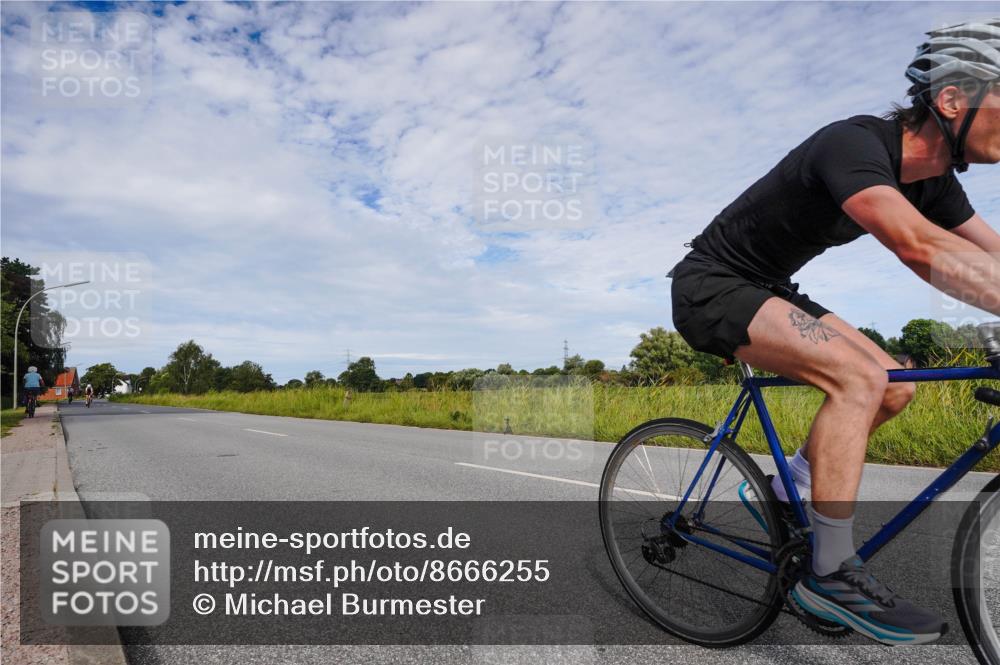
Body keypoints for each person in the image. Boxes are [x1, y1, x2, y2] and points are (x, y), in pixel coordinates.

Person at [670, 19, 1000, 645]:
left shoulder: (934, 182)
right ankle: (829, 573)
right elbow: (917, 244)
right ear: (955, 98)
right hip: (711, 284)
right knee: (860, 377)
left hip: (772, 288)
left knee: (895, 384)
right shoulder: (853, 144)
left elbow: (992, 252)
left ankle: (786, 486)